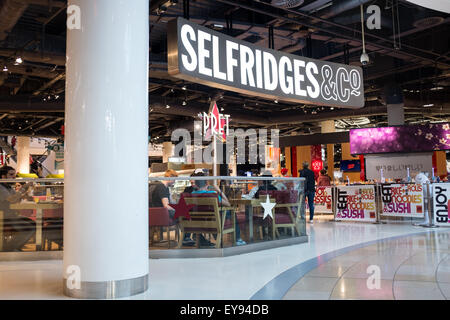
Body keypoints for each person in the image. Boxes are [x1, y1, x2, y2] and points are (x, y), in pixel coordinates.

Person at [193, 174, 246, 246]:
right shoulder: (212, 194)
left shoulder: (192, 194)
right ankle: (237, 239)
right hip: (214, 222)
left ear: (195, 185)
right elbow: (228, 204)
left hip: (198, 223)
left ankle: (217, 238)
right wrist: (219, 190)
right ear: (207, 183)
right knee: (231, 211)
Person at [0, 166, 36, 252]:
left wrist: (26, 194)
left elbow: (16, 198)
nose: (14, 177)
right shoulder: (1, 187)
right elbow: (12, 199)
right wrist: (23, 188)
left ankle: (11, 246)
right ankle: (10, 248)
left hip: (10, 215)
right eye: (11, 175)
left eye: (14, 175)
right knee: (29, 227)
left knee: (32, 224)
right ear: (3, 176)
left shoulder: (8, 187)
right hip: (4, 218)